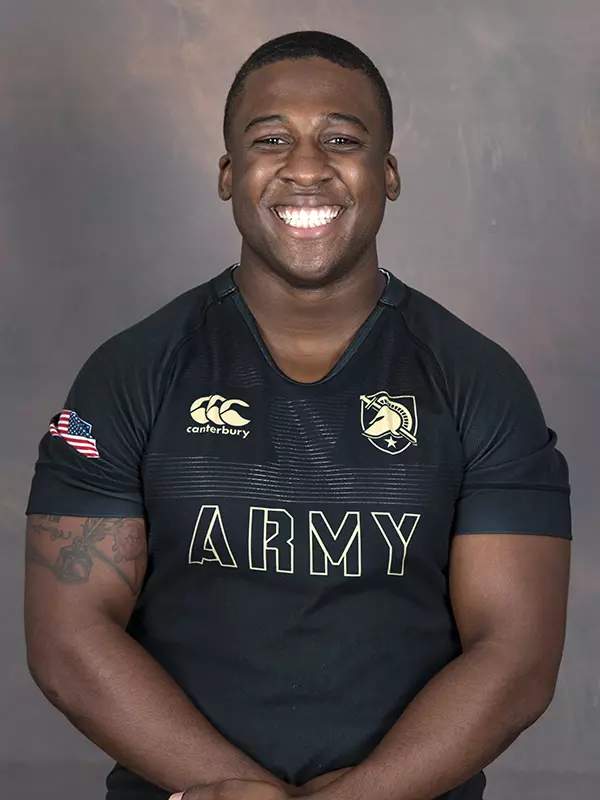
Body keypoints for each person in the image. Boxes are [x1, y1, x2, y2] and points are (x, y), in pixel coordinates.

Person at [24, 30, 571, 800]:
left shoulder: (479, 381)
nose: (306, 165)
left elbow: (515, 656)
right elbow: (68, 640)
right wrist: (229, 787)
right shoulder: (130, 373)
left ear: (387, 173)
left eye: (341, 139)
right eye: (271, 138)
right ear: (229, 173)